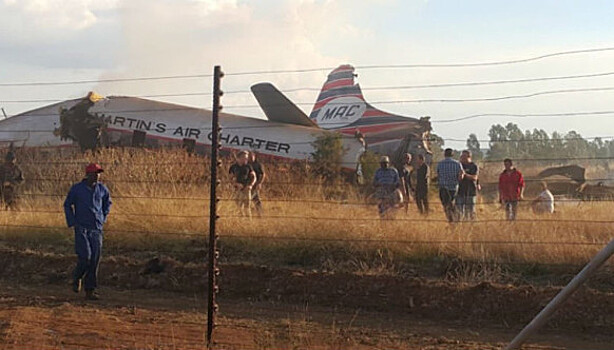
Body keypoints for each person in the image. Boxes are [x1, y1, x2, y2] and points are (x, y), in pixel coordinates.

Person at [64, 163, 111, 300]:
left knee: (95, 259)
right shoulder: (77, 189)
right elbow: (67, 204)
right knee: (85, 257)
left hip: (96, 228)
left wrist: (103, 217)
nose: (97, 176)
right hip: (82, 227)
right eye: (94, 173)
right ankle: (77, 277)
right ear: (88, 174)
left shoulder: (102, 189)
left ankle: (90, 290)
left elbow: (107, 203)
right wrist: (72, 222)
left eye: (98, 173)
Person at [436, 148, 464, 222]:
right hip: (453, 188)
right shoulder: (458, 164)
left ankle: (450, 219)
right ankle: (455, 219)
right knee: (452, 203)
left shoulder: (440, 164)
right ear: (452, 154)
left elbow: (438, 175)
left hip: (443, 188)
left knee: (446, 205)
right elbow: (460, 177)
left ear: (444, 154)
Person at [229, 151, 256, 218]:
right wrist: (235, 184)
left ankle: (248, 220)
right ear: (239, 158)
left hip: (246, 188)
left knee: (247, 206)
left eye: (247, 158)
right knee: (238, 205)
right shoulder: (233, 167)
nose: (246, 159)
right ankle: (241, 218)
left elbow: (254, 177)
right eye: (244, 158)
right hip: (237, 189)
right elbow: (230, 178)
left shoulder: (248, 167)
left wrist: (251, 185)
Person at [456, 150, 479, 221]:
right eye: (461, 156)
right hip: (460, 192)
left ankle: (471, 226)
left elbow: (475, 177)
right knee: (459, 212)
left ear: (469, 157)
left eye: (464, 156)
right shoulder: (459, 165)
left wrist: (465, 174)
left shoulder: (473, 166)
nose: (462, 158)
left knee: (470, 212)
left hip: (470, 191)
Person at [248, 151, 266, 217]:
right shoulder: (247, 164)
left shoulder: (258, 165)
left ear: (254, 156)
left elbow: (263, 174)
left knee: (256, 199)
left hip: (255, 184)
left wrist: (259, 183)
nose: (250, 158)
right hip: (247, 184)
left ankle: (260, 214)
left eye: (252, 156)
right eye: (249, 156)